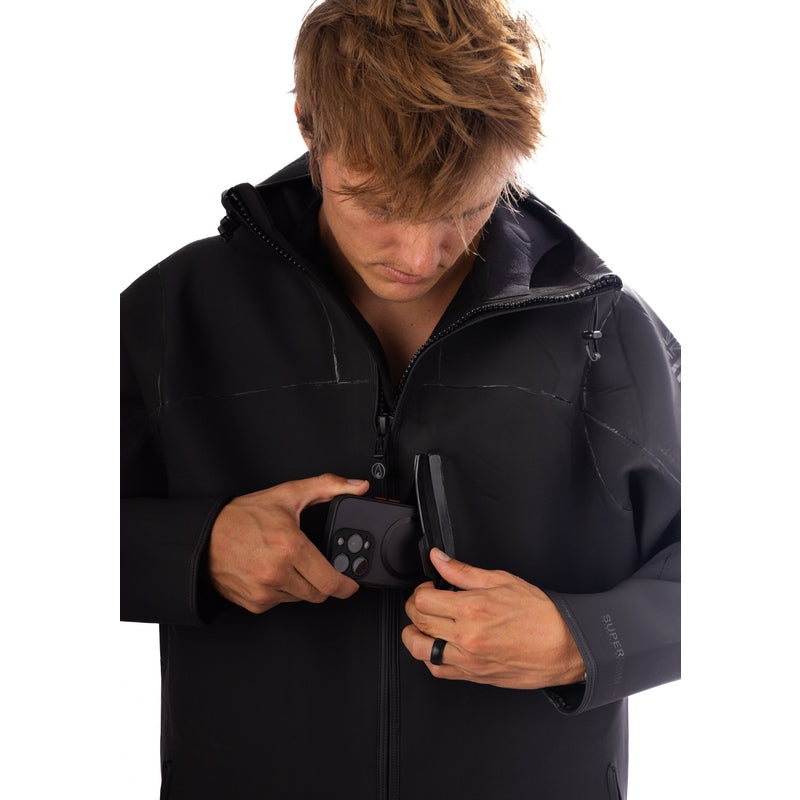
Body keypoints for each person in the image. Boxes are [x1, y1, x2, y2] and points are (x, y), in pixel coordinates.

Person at [120, 1, 680, 797]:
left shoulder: (611, 333)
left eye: (464, 208)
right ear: (308, 127)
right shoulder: (171, 313)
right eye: (377, 204)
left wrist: (582, 640)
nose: (419, 254)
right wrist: (195, 549)